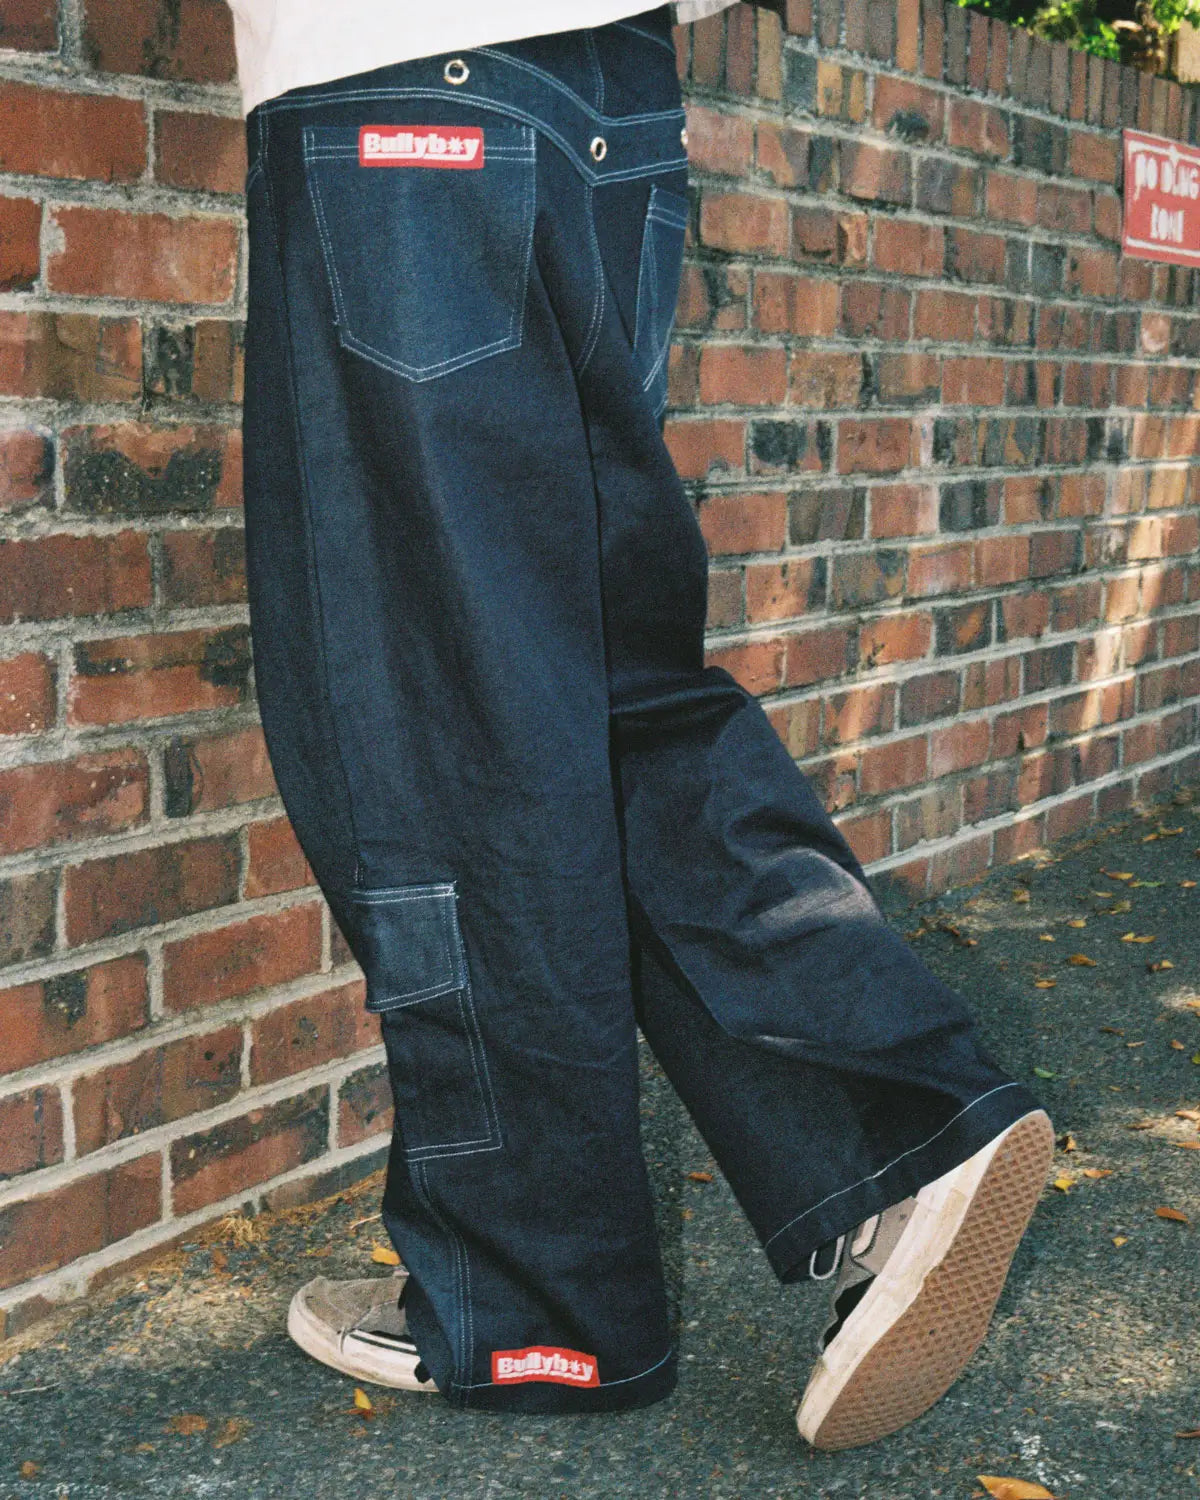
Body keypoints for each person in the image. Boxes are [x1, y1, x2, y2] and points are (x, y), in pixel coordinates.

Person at [228, 0, 1055, 1451]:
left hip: (388, 87)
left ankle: (531, 1306)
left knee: (433, 720)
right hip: (615, 103)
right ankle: (902, 1130)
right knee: (609, 680)